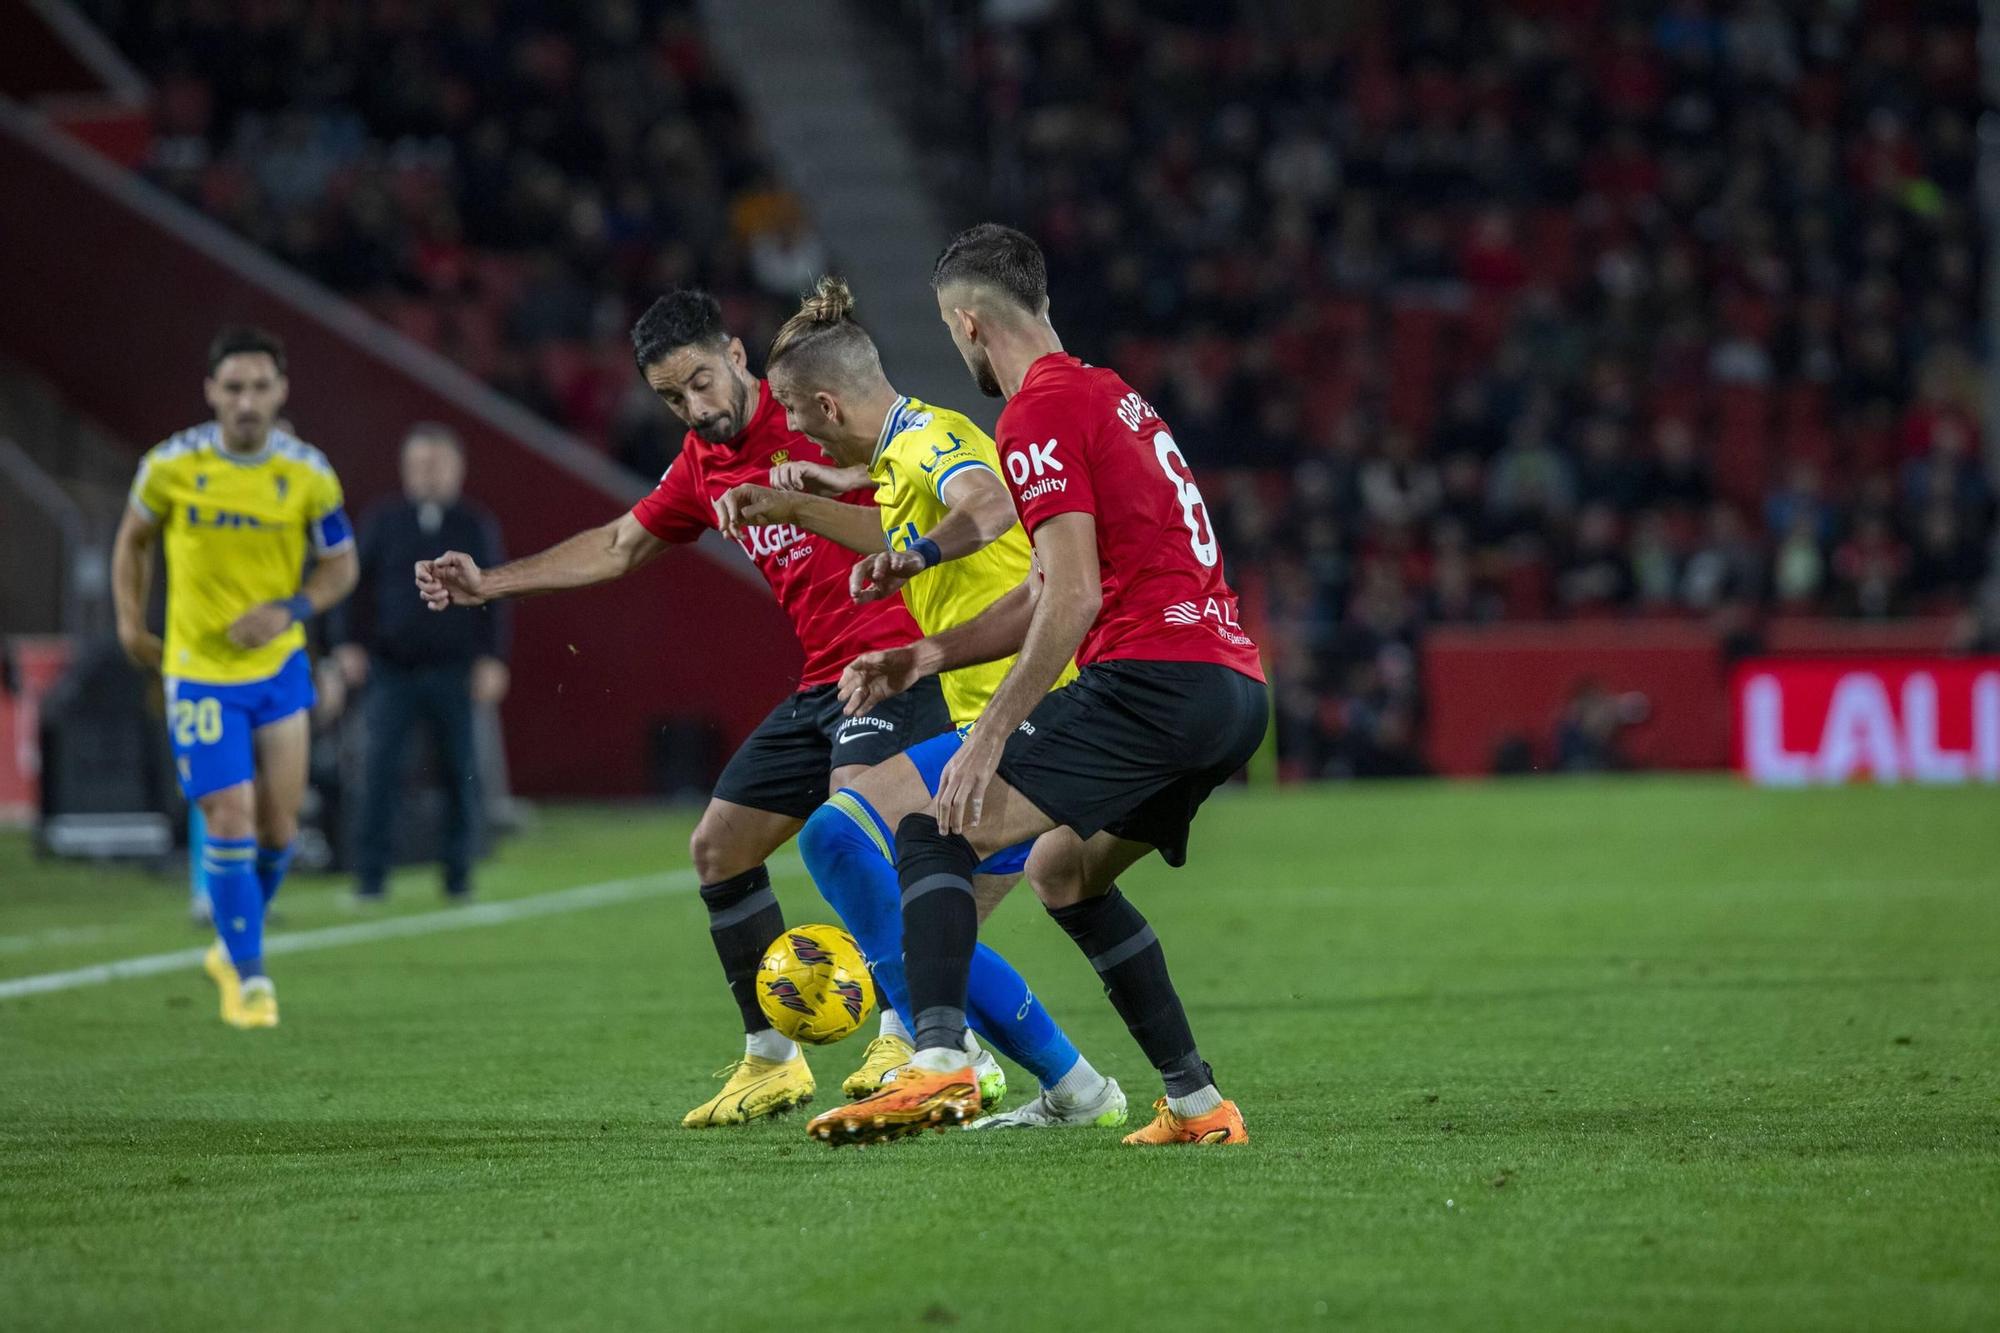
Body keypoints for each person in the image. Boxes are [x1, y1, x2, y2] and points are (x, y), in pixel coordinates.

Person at [412, 288, 991, 1128]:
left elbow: (916, 466)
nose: (693, 407)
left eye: (698, 383)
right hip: (823, 679)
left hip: (900, 661)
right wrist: (490, 582)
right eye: (671, 397)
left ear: (734, 353)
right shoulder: (699, 462)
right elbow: (619, 545)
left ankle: (910, 1036)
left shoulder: (816, 411)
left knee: (857, 824)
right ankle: (772, 1059)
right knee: (717, 846)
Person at [805, 224, 1268, 1148]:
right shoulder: (1112, 395)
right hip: (1231, 688)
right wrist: (925, 657)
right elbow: (1048, 585)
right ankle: (1197, 1103)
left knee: (937, 828)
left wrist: (990, 729)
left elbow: (1078, 597)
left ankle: (937, 1064)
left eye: (948, 330)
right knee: (1063, 872)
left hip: (1151, 677)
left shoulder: (1036, 411)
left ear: (969, 324)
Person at [710, 276, 1125, 1129]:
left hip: (1037, 716)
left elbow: (990, 503)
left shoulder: (932, 441)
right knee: (931, 928)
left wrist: (919, 556)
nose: (784, 424)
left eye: (789, 406)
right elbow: (896, 527)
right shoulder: (901, 452)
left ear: (824, 400)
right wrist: (800, 503)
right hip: (1009, 712)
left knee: (838, 839)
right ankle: (1067, 1086)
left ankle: (946, 1055)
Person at [111, 327, 359, 1029]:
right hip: (197, 670)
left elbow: (342, 565)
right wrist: (131, 623)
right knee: (230, 815)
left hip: (279, 668)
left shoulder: (309, 472)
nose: (246, 400)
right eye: (233, 387)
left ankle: (232, 939)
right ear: (211, 392)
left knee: (281, 829)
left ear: (280, 391)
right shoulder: (169, 465)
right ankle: (247, 973)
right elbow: (131, 541)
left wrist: (292, 607)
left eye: (259, 387)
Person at [335, 424, 509, 902]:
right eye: (419, 465)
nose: (428, 475)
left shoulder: (474, 524)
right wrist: (347, 644)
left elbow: (498, 594)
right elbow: (355, 588)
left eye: (437, 465)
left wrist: (492, 658)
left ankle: (458, 876)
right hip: (392, 671)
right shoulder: (383, 521)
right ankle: (369, 879)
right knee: (378, 773)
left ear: (458, 469)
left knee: (460, 773)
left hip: (454, 672)